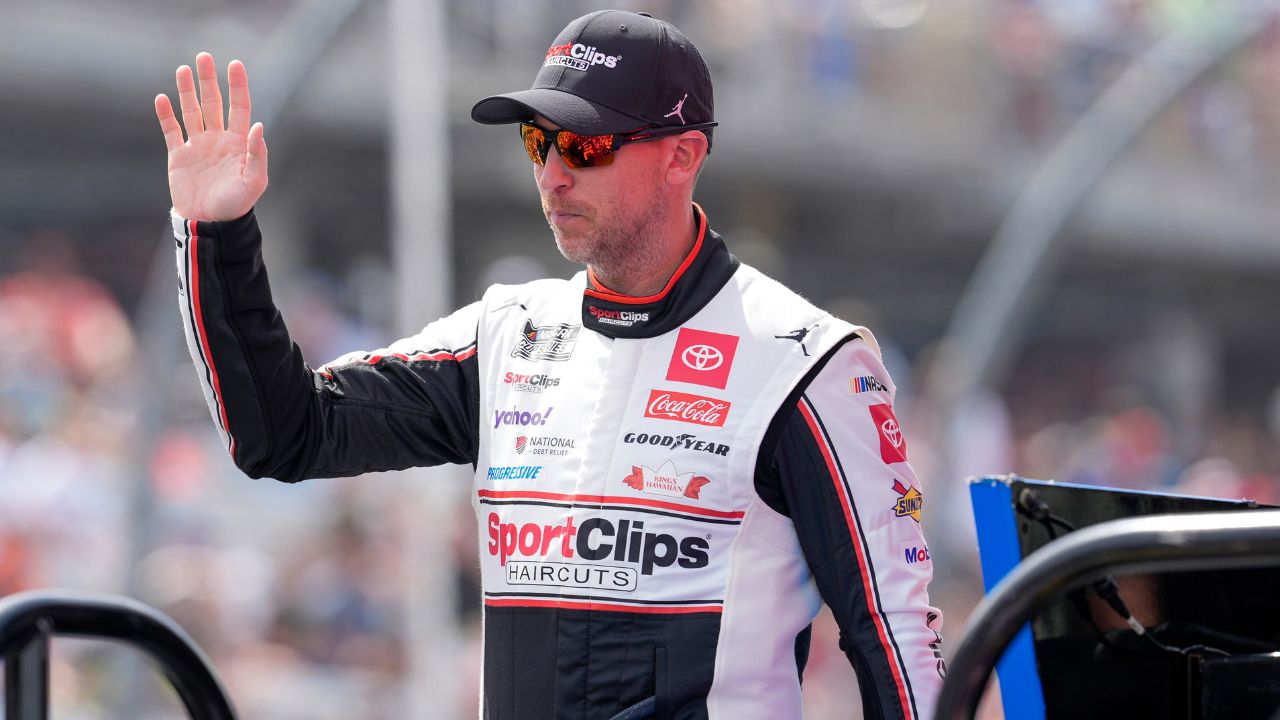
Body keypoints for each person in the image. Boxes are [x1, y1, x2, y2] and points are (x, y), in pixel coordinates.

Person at [155, 9, 944, 720]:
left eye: (587, 145)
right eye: (539, 140)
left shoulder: (806, 361)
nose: (553, 172)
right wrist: (219, 236)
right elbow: (284, 433)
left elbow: (894, 635)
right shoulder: (507, 334)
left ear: (683, 156)